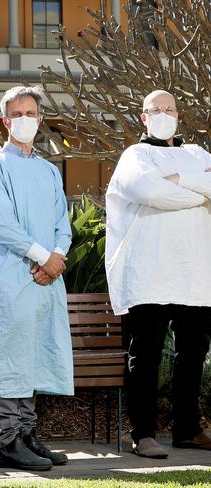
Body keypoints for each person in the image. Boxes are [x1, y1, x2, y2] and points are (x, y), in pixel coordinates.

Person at [0, 86, 73, 471]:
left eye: (31, 113)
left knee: (30, 355)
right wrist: (44, 258)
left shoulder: (48, 170)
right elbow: (3, 226)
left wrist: (56, 258)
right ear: (5, 120)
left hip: (43, 279)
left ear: (40, 118)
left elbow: (63, 223)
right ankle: (9, 442)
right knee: (10, 355)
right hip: (8, 278)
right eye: (17, 114)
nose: (25, 119)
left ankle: (29, 435)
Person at [105, 89, 211, 458]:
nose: (164, 114)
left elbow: (173, 186)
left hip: (195, 271)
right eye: (156, 109)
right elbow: (147, 190)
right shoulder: (135, 155)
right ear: (143, 117)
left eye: (170, 109)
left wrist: (179, 178)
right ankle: (143, 433)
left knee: (192, 354)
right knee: (145, 356)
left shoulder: (197, 154)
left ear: (179, 115)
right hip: (148, 272)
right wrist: (199, 193)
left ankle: (187, 429)